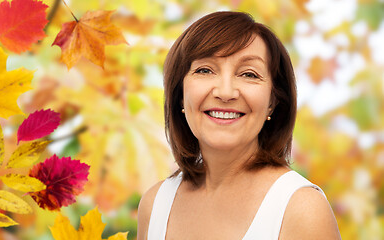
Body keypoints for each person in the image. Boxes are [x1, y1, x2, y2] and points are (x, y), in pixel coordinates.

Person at [137, 11, 341, 240]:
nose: (225, 92)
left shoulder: (301, 208)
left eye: (249, 74)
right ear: (180, 96)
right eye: (205, 70)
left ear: (273, 102)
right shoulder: (155, 204)